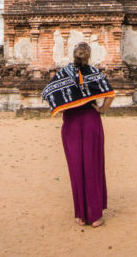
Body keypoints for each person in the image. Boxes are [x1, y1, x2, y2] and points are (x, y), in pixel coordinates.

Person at [40, 42, 115, 227]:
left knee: (76, 168)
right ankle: (95, 215)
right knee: (92, 166)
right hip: (91, 121)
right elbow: (110, 94)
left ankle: (80, 215)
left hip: (71, 124)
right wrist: (102, 110)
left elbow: (48, 93)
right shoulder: (95, 73)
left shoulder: (63, 73)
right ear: (88, 56)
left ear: (74, 55)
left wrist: (64, 106)